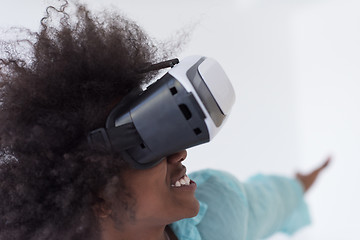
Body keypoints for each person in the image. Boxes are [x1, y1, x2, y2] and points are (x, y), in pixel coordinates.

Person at [0, 2, 329, 240]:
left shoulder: (219, 208)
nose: (180, 153)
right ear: (99, 198)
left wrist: (299, 184)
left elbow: (269, 202)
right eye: (148, 144)